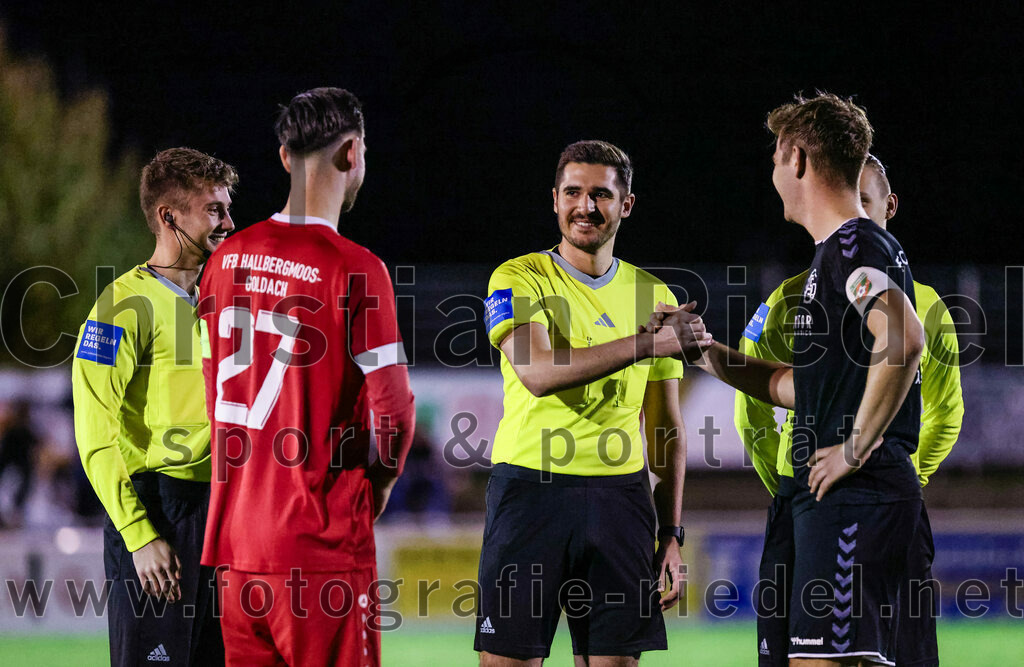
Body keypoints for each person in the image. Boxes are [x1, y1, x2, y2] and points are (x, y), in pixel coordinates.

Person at [653, 93, 924, 666]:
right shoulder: (832, 259)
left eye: (776, 159)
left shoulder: (851, 243)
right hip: (826, 497)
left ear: (796, 158)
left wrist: (854, 447)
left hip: (853, 494)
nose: (773, 175)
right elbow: (801, 387)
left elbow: (903, 337)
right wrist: (704, 352)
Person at [197, 87, 415, 667]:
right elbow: (394, 411)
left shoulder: (225, 259)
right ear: (353, 154)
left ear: (284, 157)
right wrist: (383, 480)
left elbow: (212, 384)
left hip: (236, 549)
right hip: (319, 548)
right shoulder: (357, 268)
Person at [476, 140, 708, 666]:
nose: (586, 206)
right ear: (554, 200)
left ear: (626, 204)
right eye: (574, 193)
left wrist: (671, 534)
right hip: (530, 493)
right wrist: (643, 343)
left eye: (601, 194)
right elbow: (537, 371)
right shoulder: (518, 277)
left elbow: (666, 428)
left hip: (622, 503)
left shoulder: (654, 295)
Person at [734, 155, 964, 666]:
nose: (852, 209)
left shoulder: (917, 299)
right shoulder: (789, 297)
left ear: (891, 205)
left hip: (868, 492)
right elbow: (757, 405)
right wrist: (794, 481)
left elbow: (944, 412)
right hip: (810, 495)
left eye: (865, 199)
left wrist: (880, 465)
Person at [72, 147, 237, 666]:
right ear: (169, 216)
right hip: (157, 514)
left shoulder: (230, 303)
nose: (230, 222)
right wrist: (139, 535)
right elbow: (93, 429)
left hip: (222, 516)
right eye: (214, 209)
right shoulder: (122, 305)